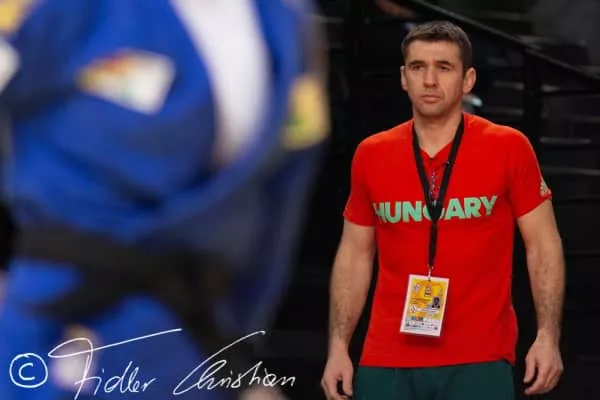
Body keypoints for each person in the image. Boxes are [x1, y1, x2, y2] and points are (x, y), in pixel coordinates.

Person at [0, 1, 329, 399]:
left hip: (192, 351)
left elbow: (278, 208)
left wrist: (238, 365)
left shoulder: (285, 24)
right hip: (50, 339)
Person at [321, 20, 565, 400]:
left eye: (444, 67)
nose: (430, 80)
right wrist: (338, 347)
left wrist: (548, 337)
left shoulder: (507, 147)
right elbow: (354, 253)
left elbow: (544, 246)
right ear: (403, 78)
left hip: (480, 356)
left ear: (468, 80)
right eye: (418, 67)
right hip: (386, 356)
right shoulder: (371, 154)